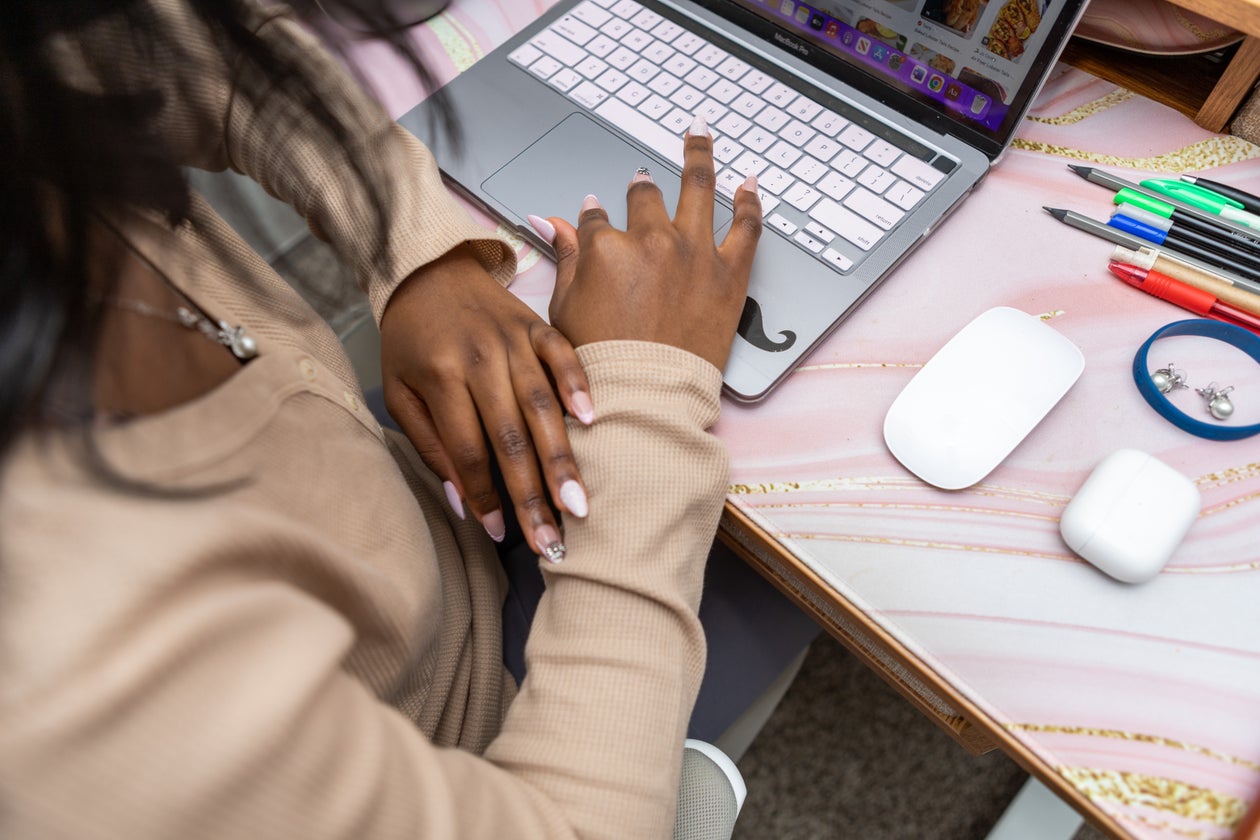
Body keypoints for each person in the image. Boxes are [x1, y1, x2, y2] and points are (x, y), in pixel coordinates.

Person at [0, 0, 766, 837]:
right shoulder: (62, 681)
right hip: (485, 738)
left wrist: (412, 255)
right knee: (782, 568)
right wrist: (649, 389)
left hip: (409, 517)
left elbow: (206, 52)